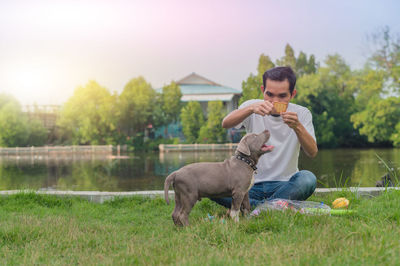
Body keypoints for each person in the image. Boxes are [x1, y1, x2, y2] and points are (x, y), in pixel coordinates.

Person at [213, 66, 318, 208]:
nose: (274, 101)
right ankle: (273, 207)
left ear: (292, 94)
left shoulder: (302, 114)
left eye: (282, 96)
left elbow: (312, 152)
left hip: (285, 185)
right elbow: (225, 124)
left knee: (307, 179)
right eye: (269, 95)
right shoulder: (251, 106)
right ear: (263, 90)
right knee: (212, 181)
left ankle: (256, 207)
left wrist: (297, 126)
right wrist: (250, 109)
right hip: (249, 185)